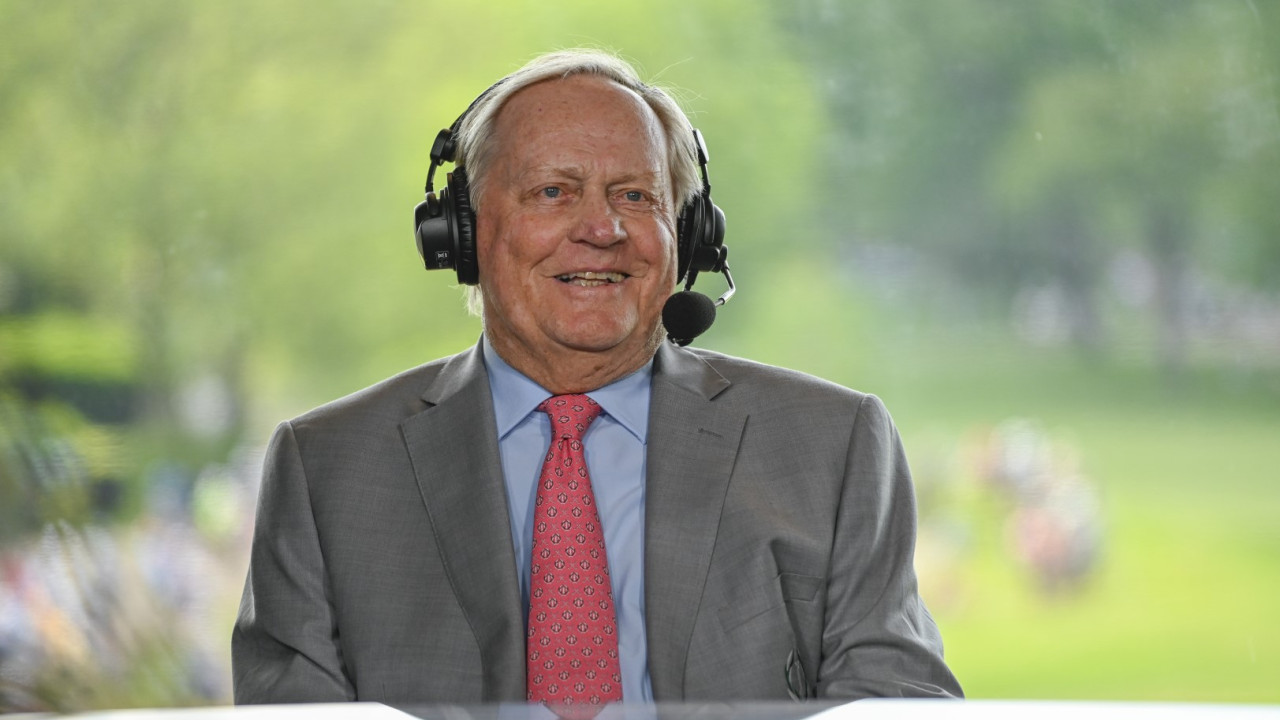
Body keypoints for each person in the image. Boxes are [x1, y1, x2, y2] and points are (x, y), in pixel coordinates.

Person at [231, 49, 962, 709]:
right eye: (553, 192)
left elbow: (896, 703)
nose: (601, 229)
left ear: (688, 236)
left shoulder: (832, 445)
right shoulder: (325, 468)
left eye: (635, 196)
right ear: (462, 232)